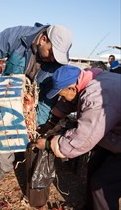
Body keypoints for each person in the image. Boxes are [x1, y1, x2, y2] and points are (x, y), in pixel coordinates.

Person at [0, 22, 72, 183]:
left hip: (33, 104)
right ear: (42, 39)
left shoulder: (56, 64)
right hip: (9, 96)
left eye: (58, 56)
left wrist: (37, 125)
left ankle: (23, 157)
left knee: (30, 136)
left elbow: (48, 99)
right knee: (3, 130)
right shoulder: (18, 36)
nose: (53, 58)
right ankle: (6, 166)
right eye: (52, 52)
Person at [36, 65, 121, 210]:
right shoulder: (88, 79)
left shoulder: (95, 97)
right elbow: (69, 102)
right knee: (95, 166)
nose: (61, 98)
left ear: (72, 88)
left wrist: (50, 144)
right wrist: (51, 123)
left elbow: (82, 139)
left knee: (102, 185)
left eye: (61, 94)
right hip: (116, 134)